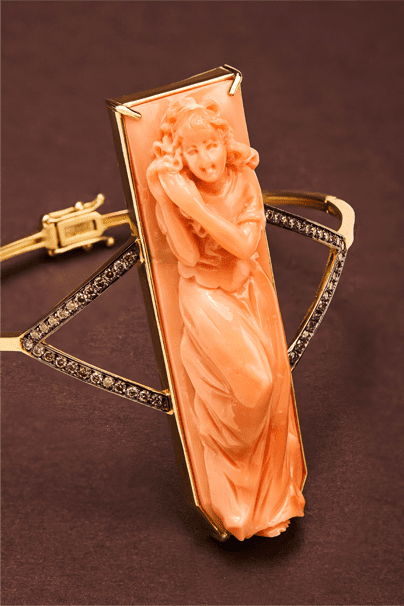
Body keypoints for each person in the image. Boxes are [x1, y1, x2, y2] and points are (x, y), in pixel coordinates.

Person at [147, 97, 305, 540]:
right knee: (255, 384)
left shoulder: (244, 180)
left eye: (211, 145)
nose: (205, 159)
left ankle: (263, 499)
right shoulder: (177, 192)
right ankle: (224, 467)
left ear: (224, 142)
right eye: (192, 151)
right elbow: (187, 256)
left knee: (269, 390)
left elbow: (244, 245)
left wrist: (191, 203)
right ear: (180, 155)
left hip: (248, 290)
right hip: (204, 295)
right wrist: (164, 200)